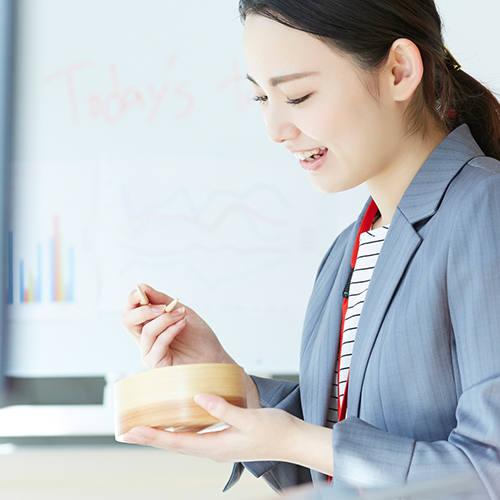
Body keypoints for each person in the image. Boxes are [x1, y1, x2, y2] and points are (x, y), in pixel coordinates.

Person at [120, 0, 500, 497]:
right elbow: (327, 475)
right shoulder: (348, 249)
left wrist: (300, 442)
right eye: (261, 99)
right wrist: (225, 383)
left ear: (398, 71)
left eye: (297, 96)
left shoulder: (484, 207)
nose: (276, 130)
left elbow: (487, 470)